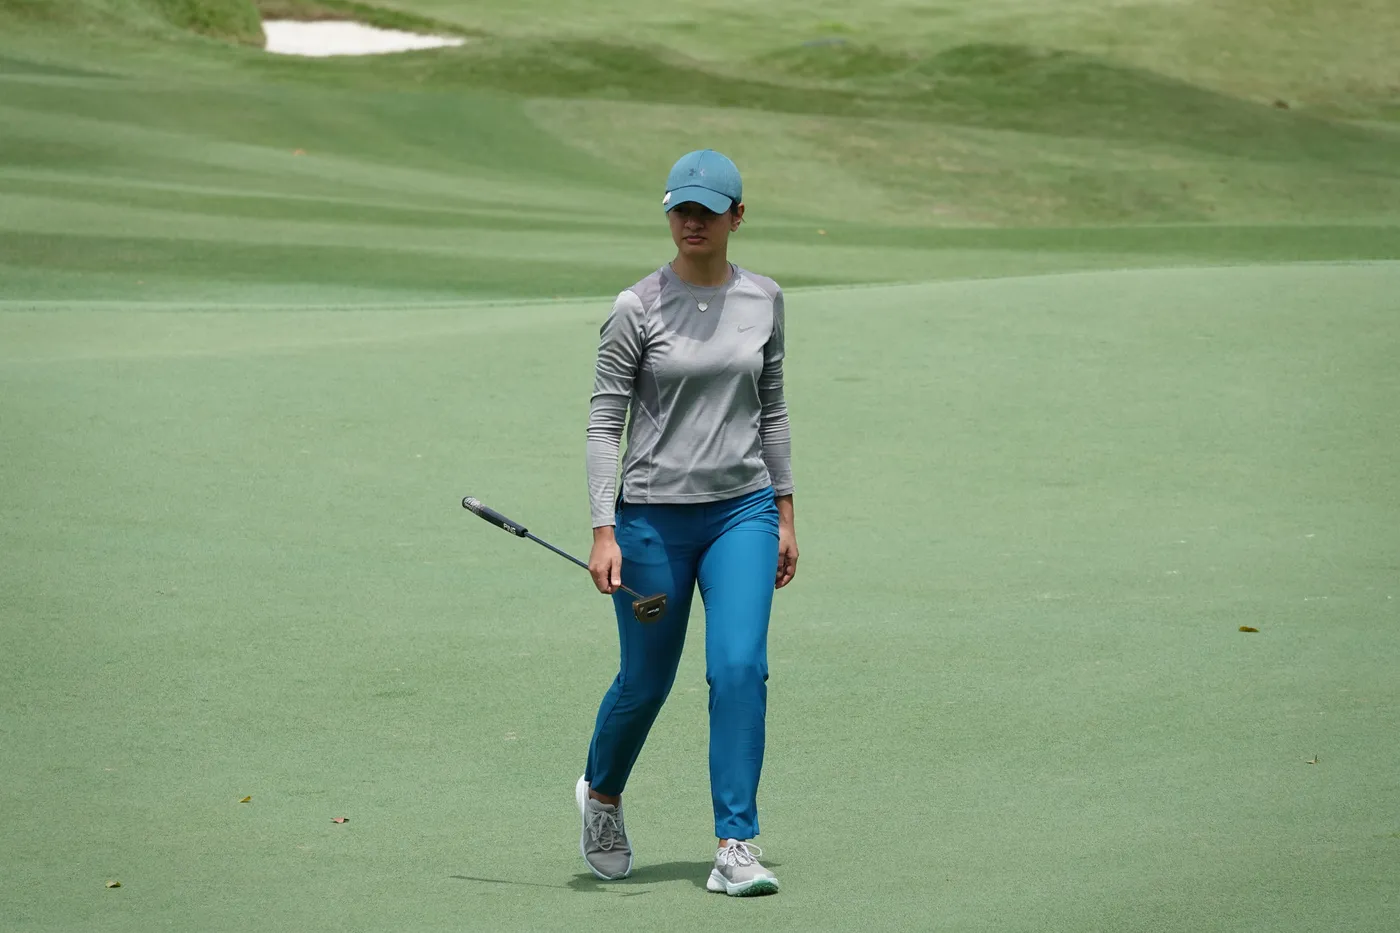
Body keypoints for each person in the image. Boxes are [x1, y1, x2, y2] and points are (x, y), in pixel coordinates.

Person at [574, 149, 798, 897]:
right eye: (681, 210)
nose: (691, 222)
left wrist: (785, 511)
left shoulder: (765, 298)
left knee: (739, 667)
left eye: (707, 210)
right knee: (646, 680)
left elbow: (772, 408)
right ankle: (602, 794)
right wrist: (604, 528)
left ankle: (735, 843)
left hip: (743, 511)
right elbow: (604, 422)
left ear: (738, 216)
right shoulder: (636, 306)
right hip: (650, 520)